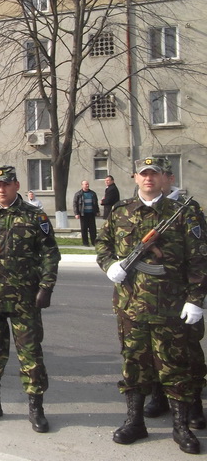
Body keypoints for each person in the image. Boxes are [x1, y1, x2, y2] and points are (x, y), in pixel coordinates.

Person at [96, 156, 207, 455]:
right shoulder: (120, 211)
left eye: (154, 174)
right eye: (143, 174)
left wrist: (195, 300)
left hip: (171, 307)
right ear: (135, 178)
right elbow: (103, 245)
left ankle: (181, 427)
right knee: (134, 365)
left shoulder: (183, 213)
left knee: (175, 368)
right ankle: (134, 422)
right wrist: (109, 264)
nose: (148, 178)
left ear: (163, 178)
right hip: (130, 307)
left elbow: (199, 259)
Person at [0, 165, 60, 433]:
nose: (1, 189)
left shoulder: (34, 216)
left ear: (16, 185)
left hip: (24, 300)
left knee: (31, 354)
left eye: (6, 184)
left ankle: (36, 409)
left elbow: (50, 253)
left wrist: (46, 287)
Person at [73, 180, 100, 246]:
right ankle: (85, 243)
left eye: (88, 184)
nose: (87, 185)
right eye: (85, 184)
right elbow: (75, 204)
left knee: (93, 229)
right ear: (82, 185)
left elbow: (95, 203)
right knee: (84, 229)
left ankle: (94, 242)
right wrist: (76, 213)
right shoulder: (78, 194)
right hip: (83, 214)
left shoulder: (93, 193)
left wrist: (97, 211)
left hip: (91, 213)